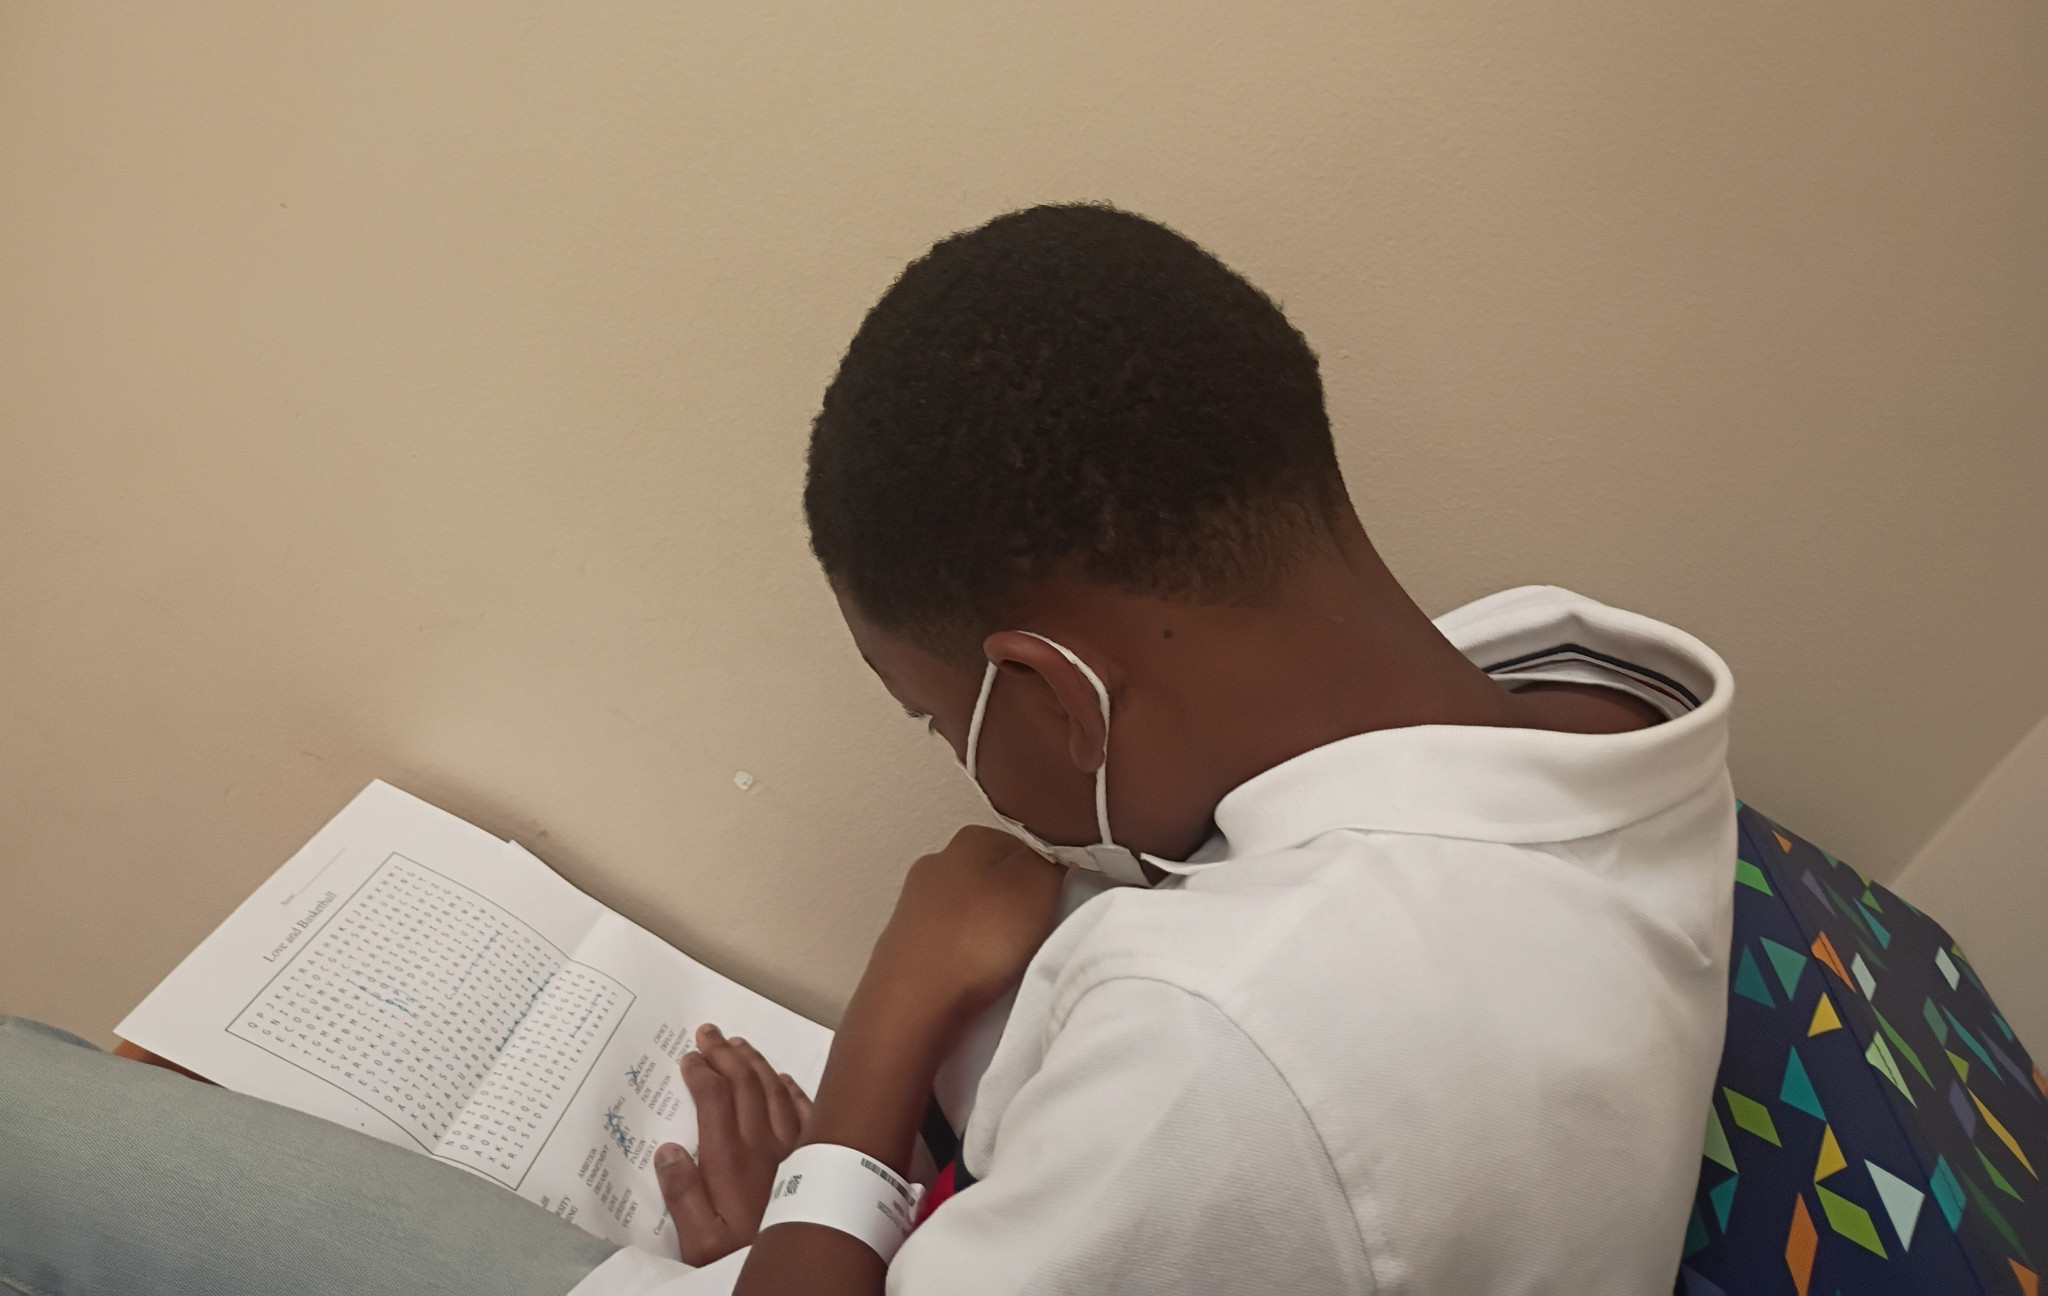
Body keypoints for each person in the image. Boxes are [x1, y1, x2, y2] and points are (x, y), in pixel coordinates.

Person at [1, 204, 1734, 1296]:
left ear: (1055, 693)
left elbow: (1221, 1083)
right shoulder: (1585, 692)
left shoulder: (1231, 1047)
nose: (963, 777)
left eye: (937, 721)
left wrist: (859, 1104)